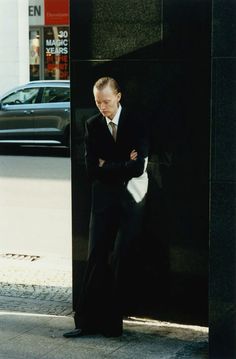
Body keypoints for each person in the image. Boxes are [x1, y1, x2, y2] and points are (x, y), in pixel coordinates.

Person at [64, 77, 149, 338]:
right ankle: (86, 323)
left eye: (107, 101)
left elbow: (137, 167)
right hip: (102, 201)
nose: (102, 106)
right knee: (95, 258)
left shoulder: (136, 122)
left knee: (119, 259)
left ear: (119, 96)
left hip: (128, 202)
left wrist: (107, 165)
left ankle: (113, 325)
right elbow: (91, 169)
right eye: (98, 102)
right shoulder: (92, 125)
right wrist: (121, 163)